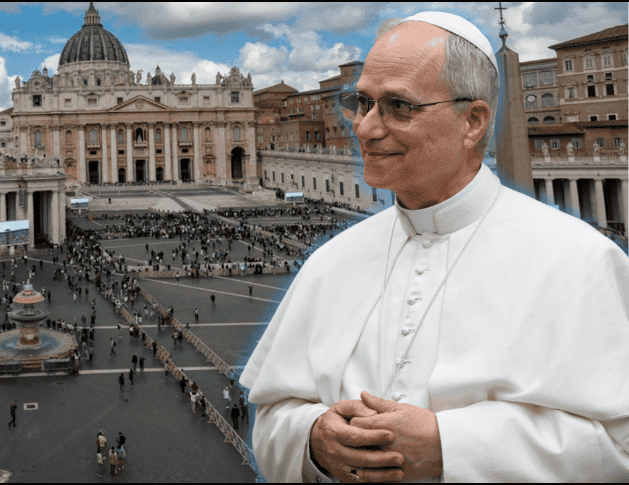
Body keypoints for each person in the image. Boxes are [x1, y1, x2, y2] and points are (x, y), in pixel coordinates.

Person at [239, 11, 629, 484]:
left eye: (397, 106)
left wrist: (450, 447)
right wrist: (314, 440)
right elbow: (272, 418)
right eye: (361, 103)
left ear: (473, 122)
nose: (364, 128)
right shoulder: (331, 262)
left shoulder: (579, 261)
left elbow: (619, 447)